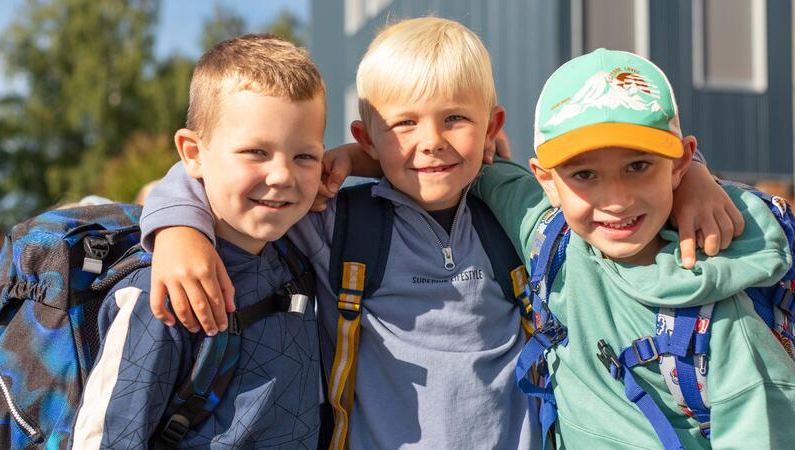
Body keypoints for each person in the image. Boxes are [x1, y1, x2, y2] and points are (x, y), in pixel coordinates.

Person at [138, 19, 739, 449]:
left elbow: (617, 174)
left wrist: (698, 179)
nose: (431, 141)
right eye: (404, 125)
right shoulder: (334, 221)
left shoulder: (516, 212)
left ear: (491, 126)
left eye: (455, 119)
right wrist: (177, 229)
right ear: (368, 136)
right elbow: (223, 175)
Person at [471, 48, 795, 448]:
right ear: (546, 181)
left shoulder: (722, 323)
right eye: (585, 174)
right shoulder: (551, 238)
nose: (616, 200)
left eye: (637, 166)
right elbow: (465, 170)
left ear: (679, 163)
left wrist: (696, 174)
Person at [71, 33, 325, 448]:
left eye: (305, 156)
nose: (282, 176)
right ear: (193, 153)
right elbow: (108, 437)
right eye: (255, 152)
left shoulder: (297, 250)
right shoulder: (159, 293)